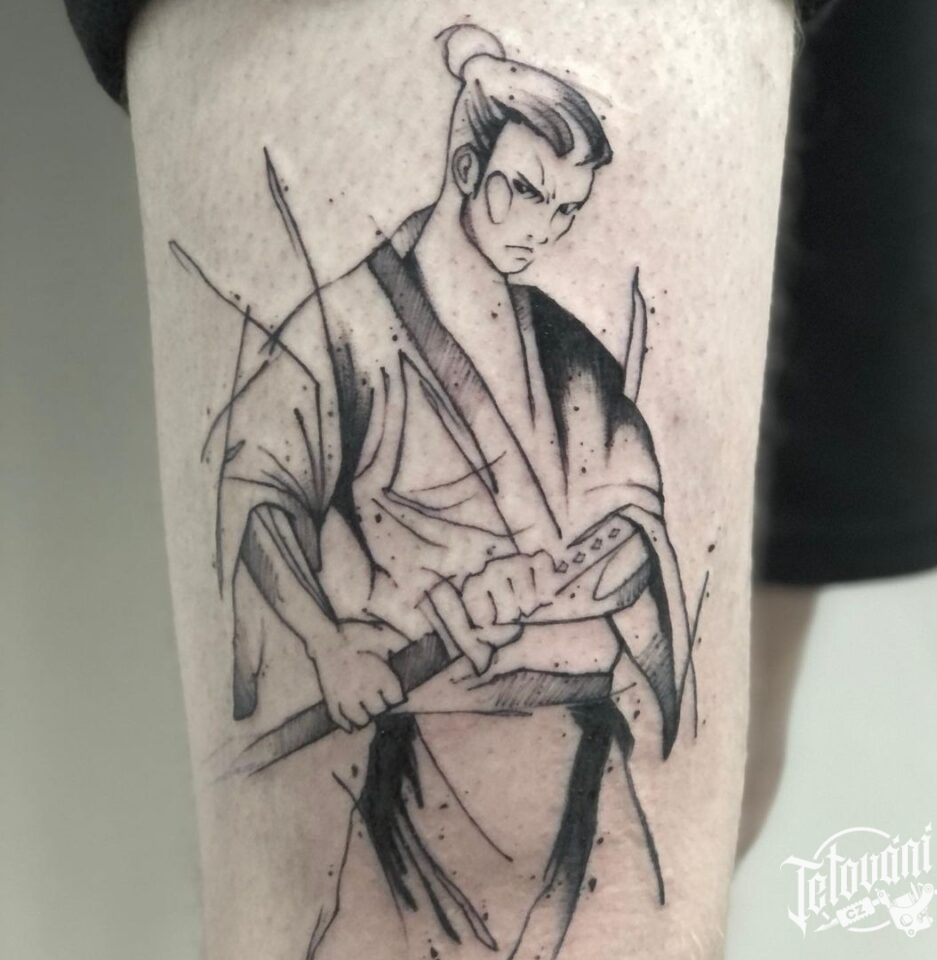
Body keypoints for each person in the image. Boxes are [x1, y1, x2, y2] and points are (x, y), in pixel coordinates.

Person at [170, 26, 693, 958]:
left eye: (565, 210)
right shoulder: (351, 325)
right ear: (464, 166)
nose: (541, 229)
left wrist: (553, 574)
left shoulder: (567, 348)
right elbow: (259, 484)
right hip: (433, 749)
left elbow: (636, 524)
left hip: (585, 743)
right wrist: (329, 647)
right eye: (523, 191)